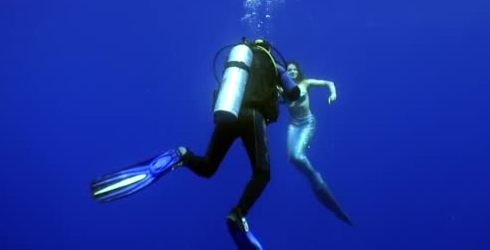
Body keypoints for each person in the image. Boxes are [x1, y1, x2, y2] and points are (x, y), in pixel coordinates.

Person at [90, 38, 301, 249]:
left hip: (229, 112)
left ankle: (182, 154)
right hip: (253, 116)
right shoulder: (274, 64)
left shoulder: (240, 59)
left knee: (208, 166)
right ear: (269, 49)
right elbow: (294, 93)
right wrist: (283, 86)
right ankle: (238, 214)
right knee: (262, 173)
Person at [282, 61, 352, 226]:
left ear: (298, 71)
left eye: (294, 70)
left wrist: (333, 94)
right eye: (289, 70)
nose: (291, 72)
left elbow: (329, 82)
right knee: (291, 158)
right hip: (293, 124)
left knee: (298, 155)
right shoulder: (283, 87)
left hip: (307, 122)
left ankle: (315, 177)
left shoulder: (306, 83)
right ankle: (314, 181)